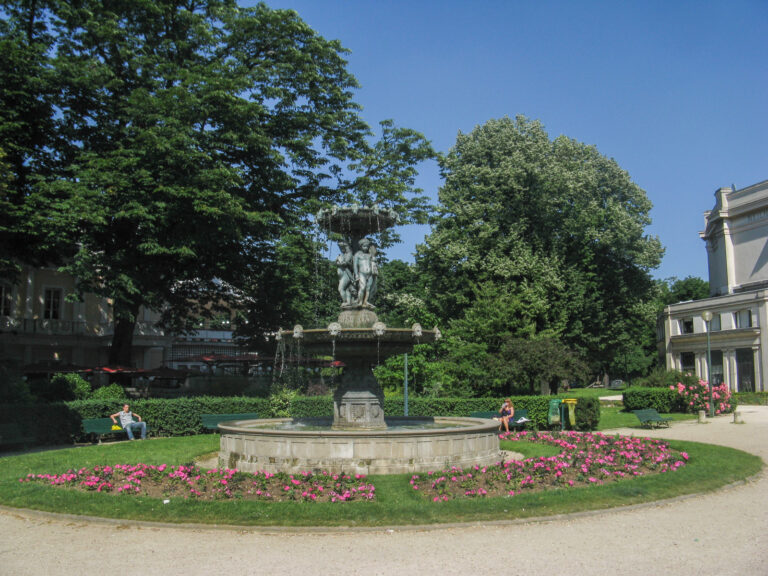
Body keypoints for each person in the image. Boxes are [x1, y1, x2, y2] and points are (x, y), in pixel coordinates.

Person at [353, 238, 378, 308]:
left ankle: (366, 301)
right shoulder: (357, 255)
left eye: (367, 246)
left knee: (368, 288)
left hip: (370, 274)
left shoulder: (369, 255)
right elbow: (355, 266)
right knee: (362, 287)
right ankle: (360, 301)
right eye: (364, 246)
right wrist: (356, 275)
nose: (366, 248)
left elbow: (374, 263)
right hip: (362, 273)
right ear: (361, 246)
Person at [335, 240, 355, 307]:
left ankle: (345, 301)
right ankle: (348, 302)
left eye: (341, 248)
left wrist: (340, 261)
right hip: (342, 275)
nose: (340, 249)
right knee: (346, 289)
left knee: (341, 288)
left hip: (346, 274)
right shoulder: (344, 254)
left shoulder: (349, 254)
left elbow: (345, 263)